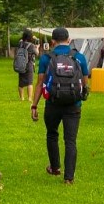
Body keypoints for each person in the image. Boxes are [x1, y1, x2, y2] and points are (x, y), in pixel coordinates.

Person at [30, 27, 89, 185]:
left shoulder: (46, 58)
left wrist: (34, 105)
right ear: (69, 40)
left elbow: (40, 83)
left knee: (52, 134)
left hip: (52, 104)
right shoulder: (79, 57)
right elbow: (85, 82)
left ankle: (55, 168)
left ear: (53, 42)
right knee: (70, 141)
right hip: (73, 104)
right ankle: (69, 178)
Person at [17, 30, 39, 101]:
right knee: (30, 82)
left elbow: (21, 40)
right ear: (30, 37)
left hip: (21, 64)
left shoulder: (20, 43)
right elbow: (37, 53)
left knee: (21, 82)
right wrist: (37, 47)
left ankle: (21, 98)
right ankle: (29, 98)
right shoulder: (31, 45)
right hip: (29, 64)